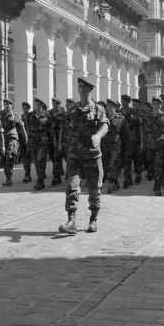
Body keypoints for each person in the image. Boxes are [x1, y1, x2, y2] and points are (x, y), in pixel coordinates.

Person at [59, 77, 109, 235]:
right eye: (79, 86)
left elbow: (105, 125)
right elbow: (66, 128)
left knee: (94, 190)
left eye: (83, 87)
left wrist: (98, 136)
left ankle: (93, 218)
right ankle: (71, 220)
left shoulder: (98, 109)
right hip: (75, 156)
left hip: (92, 156)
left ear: (90, 89)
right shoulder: (72, 109)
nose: (80, 89)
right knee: (71, 187)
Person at [101, 99, 130, 194]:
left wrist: (126, 146)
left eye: (111, 106)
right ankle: (115, 182)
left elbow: (125, 134)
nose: (109, 108)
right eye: (108, 106)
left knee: (113, 164)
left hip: (115, 146)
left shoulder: (120, 118)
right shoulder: (103, 118)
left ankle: (111, 182)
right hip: (104, 145)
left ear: (115, 107)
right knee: (106, 165)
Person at [27, 98, 55, 191]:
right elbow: (28, 128)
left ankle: (40, 181)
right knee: (35, 162)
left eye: (38, 104)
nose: (37, 106)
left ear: (42, 105)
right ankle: (41, 178)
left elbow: (51, 128)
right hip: (32, 142)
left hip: (42, 141)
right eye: (35, 104)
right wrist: (28, 140)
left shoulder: (46, 114)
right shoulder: (31, 115)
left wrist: (53, 140)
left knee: (40, 160)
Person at [0, 99, 27, 186]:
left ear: (11, 105)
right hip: (3, 139)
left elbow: (22, 127)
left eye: (8, 104)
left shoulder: (15, 114)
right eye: (5, 104)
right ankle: (7, 177)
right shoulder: (0, 114)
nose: (6, 106)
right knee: (4, 158)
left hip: (12, 138)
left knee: (9, 157)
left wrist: (25, 139)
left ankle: (9, 178)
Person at [48, 98, 66, 186]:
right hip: (51, 137)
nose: (54, 105)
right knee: (53, 157)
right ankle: (58, 172)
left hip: (60, 137)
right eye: (53, 103)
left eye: (56, 104)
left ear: (59, 104)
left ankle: (56, 177)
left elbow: (63, 127)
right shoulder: (50, 113)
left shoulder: (63, 113)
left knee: (57, 156)